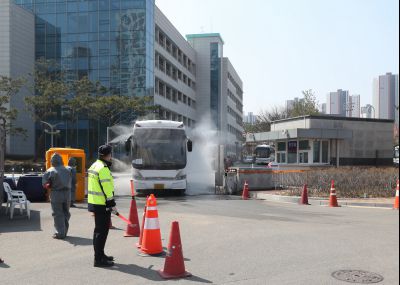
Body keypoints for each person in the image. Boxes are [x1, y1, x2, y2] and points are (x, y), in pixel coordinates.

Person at [88, 144, 117, 267]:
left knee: (98, 231)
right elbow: (107, 188)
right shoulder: (103, 168)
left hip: (95, 202)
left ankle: (100, 254)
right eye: (110, 154)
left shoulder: (94, 165)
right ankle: (98, 259)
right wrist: (112, 204)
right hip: (102, 204)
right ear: (108, 155)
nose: (111, 156)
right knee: (102, 232)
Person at [42, 153, 72, 240]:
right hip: (67, 194)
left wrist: (50, 184)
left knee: (58, 214)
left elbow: (46, 185)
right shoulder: (69, 169)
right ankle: (64, 231)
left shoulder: (50, 171)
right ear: (61, 160)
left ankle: (60, 233)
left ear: (52, 161)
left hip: (56, 194)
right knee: (66, 212)